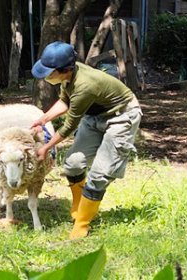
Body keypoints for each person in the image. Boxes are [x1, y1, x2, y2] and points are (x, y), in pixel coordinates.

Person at [31, 41, 142, 240]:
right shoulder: (68, 77)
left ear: (64, 70)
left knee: (99, 174)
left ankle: (82, 224)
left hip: (121, 116)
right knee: (72, 164)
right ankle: (78, 203)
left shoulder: (85, 85)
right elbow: (65, 101)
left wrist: (46, 147)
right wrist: (44, 118)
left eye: (49, 72)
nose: (46, 76)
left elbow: (69, 125)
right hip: (95, 115)